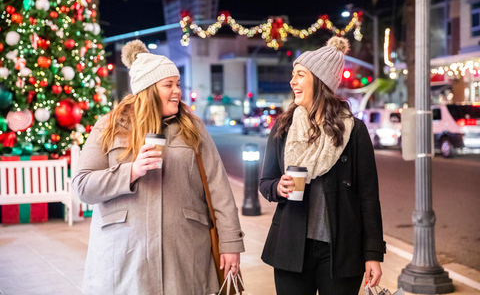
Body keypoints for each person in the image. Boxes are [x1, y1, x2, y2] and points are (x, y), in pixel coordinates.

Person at [73, 40, 245, 295]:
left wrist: (230, 243)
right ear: (149, 89)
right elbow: (83, 186)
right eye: (168, 85)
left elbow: (218, 187)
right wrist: (131, 171)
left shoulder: (192, 128)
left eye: (177, 84)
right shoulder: (110, 126)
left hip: (184, 254)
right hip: (125, 258)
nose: (177, 91)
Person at [259, 36, 386, 295]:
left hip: (340, 250)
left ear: (320, 81)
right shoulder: (284, 127)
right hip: (292, 246)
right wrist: (277, 187)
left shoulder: (354, 130)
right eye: (293, 75)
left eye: (300, 75)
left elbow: (368, 197)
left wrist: (373, 253)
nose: (292, 82)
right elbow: (265, 182)